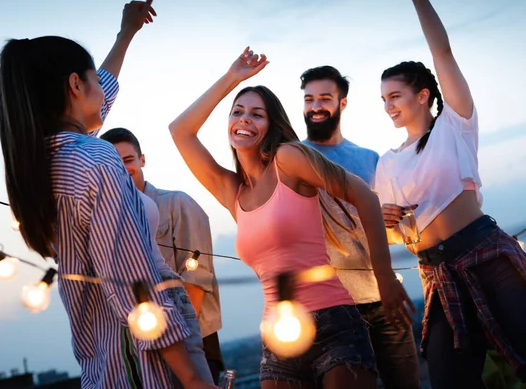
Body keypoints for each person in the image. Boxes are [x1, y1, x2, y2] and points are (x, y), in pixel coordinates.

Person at [0, 0, 217, 389]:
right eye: (92, 79)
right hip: (148, 360)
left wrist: (125, 34)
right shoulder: (96, 159)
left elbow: (103, 94)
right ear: (75, 85)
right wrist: (191, 377)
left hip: (103, 362)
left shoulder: (48, 164)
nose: (103, 88)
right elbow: (134, 281)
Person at [169, 47, 415, 389]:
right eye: (237, 112)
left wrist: (386, 278)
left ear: (271, 125)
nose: (244, 119)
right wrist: (232, 78)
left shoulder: (288, 159)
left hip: (333, 324)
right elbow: (180, 130)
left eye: (257, 114)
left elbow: (365, 198)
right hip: (279, 335)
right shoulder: (233, 193)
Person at [374, 0, 526, 388]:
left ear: (423, 95)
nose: (388, 106)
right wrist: (388, 222)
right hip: (437, 275)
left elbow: (441, 52)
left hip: (486, 254)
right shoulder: (387, 163)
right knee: (449, 379)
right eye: (383, 100)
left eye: (395, 96)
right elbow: (395, 234)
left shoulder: (454, 124)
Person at [300, 66, 420, 388]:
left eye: (325, 98)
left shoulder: (369, 159)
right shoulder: (294, 159)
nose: (315, 106)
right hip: (330, 308)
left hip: (383, 297)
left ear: (343, 103)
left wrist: (394, 222)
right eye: (309, 99)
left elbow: (393, 236)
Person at [100, 128, 225, 384]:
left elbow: (196, 279)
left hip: (193, 339)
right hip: (148, 348)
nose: (124, 169)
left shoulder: (177, 204)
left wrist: (183, 342)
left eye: (129, 160)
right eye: (115, 164)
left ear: (142, 159)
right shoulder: (109, 222)